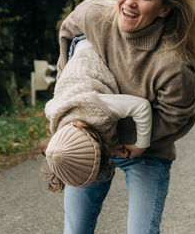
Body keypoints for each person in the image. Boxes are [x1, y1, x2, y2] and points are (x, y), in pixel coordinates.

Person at [56, 0, 195, 234]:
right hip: (93, 141)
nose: (129, 2)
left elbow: (177, 119)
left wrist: (130, 141)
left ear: (164, 9)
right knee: (75, 230)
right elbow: (68, 32)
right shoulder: (93, 15)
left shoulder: (175, 62)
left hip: (146, 148)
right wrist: (72, 91)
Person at [44, 37, 153, 190]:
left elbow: (142, 106)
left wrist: (141, 145)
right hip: (76, 58)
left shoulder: (98, 107)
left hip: (94, 43)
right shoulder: (55, 113)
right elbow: (48, 105)